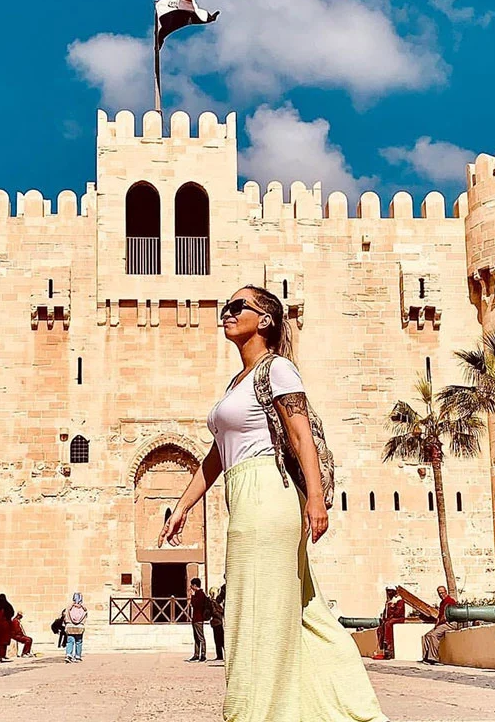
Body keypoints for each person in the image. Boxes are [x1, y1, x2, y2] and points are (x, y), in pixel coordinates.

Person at [159, 285, 387, 722]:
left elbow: (301, 436)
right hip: (245, 497)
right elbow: (217, 456)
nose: (226, 313)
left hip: (269, 495)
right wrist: (183, 506)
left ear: (264, 320)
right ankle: (348, 710)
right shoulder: (238, 382)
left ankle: (255, 714)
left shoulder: (277, 369)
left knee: (255, 613)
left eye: (237, 307)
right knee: (306, 613)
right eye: (225, 306)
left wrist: (316, 499)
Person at [422, 586, 458, 665]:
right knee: (427, 635)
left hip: (449, 623)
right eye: (439, 593)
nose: (441, 595)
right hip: (442, 624)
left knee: (434, 635)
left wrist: (438, 624)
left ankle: (433, 658)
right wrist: (436, 625)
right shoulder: (442, 603)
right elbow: (439, 616)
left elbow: (445, 617)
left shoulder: (450, 601)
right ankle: (426, 657)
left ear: (446, 592)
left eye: (442, 592)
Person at [375, 586, 406, 660]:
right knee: (380, 629)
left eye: (390, 591)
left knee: (388, 624)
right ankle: (383, 647)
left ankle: (389, 646)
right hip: (389, 619)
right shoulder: (389, 601)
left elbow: (398, 613)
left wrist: (391, 613)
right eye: (388, 591)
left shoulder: (399, 600)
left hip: (398, 618)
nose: (389, 593)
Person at [188, 577, 208, 662]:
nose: (191, 587)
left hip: (199, 618)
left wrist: (192, 596)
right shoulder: (198, 594)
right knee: (196, 637)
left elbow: (195, 604)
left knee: (200, 637)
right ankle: (196, 654)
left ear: (195, 585)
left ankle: (203, 654)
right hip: (195, 618)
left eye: (192, 585)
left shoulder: (200, 594)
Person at [64, 592, 87, 663]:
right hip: (79, 628)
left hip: (70, 627)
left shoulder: (69, 608)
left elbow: (65, 617)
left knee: (70, 641)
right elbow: (85, 619)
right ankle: (78, 656)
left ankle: (69, 655)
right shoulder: (84, 610)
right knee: (78, 642)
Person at [208, 586, 225, 661]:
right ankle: (220, 655)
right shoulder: (213, 602)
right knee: (219, 639)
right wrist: (221, 616)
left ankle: (220, 655)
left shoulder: (215, 602)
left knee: (219, 639)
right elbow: (215, 611)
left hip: (217, 622)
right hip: (217, 622)